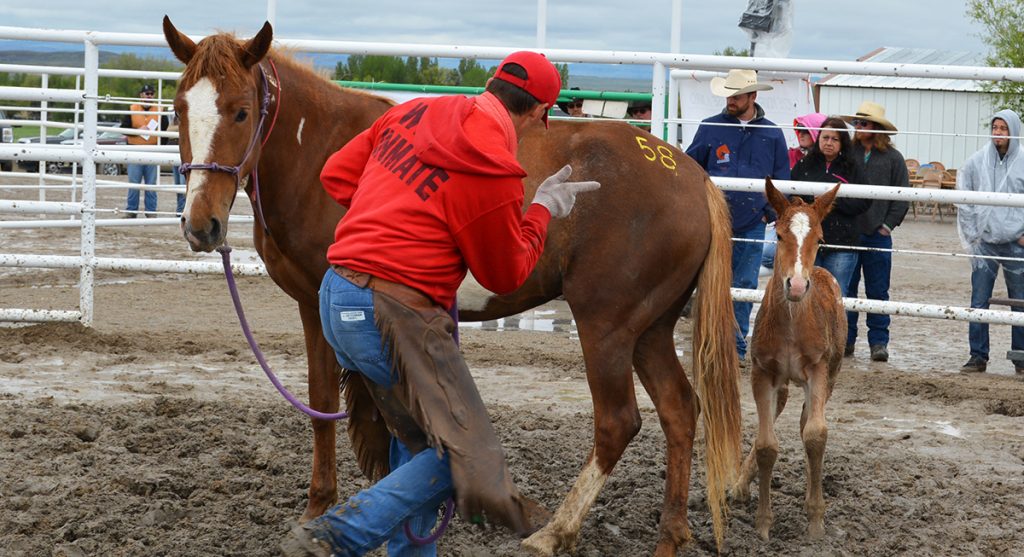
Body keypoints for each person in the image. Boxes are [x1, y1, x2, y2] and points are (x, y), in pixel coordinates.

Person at [280, 51, 600, 557]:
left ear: (493, 85)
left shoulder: (415, 110)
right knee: (466, 457)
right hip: (395, 317)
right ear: (540, 113)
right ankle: (340, 534)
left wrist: (398, 216)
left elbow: (337, 176)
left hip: (337, 292)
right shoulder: (494, 168)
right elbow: (505, 273)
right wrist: (541, 209)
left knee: (416, 442)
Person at [685, 68, 790, 360]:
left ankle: (735, 345)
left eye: (737, 95)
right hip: (714, 218)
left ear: (752, 96)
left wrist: (770, 211)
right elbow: (691, 167)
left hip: (752, 221)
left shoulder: (771, 133)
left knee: (744, 284)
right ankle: (712, 343)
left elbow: (781, 176)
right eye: (729, 95)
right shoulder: (710, 127)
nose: (731, 100)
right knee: (710, 281)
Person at [839, 101, 910, 362]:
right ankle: (845, 340)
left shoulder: (893, 159)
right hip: (849, 233)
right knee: (846, 289)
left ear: (877, 128)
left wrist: (888, 225)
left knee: (878, 291)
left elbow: (902, 195)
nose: (858, 127)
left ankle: (878, 342)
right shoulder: (848, 155)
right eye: (857, 123)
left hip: (877, 234)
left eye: (863, 123)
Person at [956, 109, 1024, 375]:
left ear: (1013, 131)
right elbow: (965, 197)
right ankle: (978, 355)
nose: (998, 132)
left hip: (1016, 242)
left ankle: (1020, 356)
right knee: (979, 298)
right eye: (995, 127)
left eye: (1003, 128)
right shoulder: (976, 161)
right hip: (984, 242)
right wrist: (973, 233)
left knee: (1019, 299)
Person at [791, 117, 871, 292]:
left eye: (835, 139)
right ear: (818, 138)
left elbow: (864, 202)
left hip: (842, 243)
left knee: (836, 294)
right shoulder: (803, 166)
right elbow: (792, 198)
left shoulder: (853, 169)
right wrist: (812, 202)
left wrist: (831, 201)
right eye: (825, 138)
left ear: (843, 143)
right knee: (807, 293)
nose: (829, 143)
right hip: (809, 243)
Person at [762, 112, 828, 275]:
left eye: (806, 130)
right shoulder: (791, 155)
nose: (801, 134)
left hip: (811, 225)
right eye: (799, 129)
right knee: (764, 253)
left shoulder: (824, 163)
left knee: (766, 254)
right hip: (790, 221)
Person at [120, 84, 168, 218]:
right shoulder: (132, 109)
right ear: (141, 95)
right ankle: (131, 211)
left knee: (151, 183)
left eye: (151, 94)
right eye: (147, 94)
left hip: (152, 151)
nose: (149, 96)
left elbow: (164, 131)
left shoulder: (160, 110)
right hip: (135, 151)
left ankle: (151, 212)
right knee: (134, 183)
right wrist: (137, 132)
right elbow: (123, 128)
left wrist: (160, 149)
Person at [167, 114, 186, 216]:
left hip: (183, 157)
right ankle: (179, 210)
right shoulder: (174, 120)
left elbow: (171, 130)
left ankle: (183, 210)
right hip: (175, 156)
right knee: (178, 185)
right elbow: (168, 131)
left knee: (183, 185)